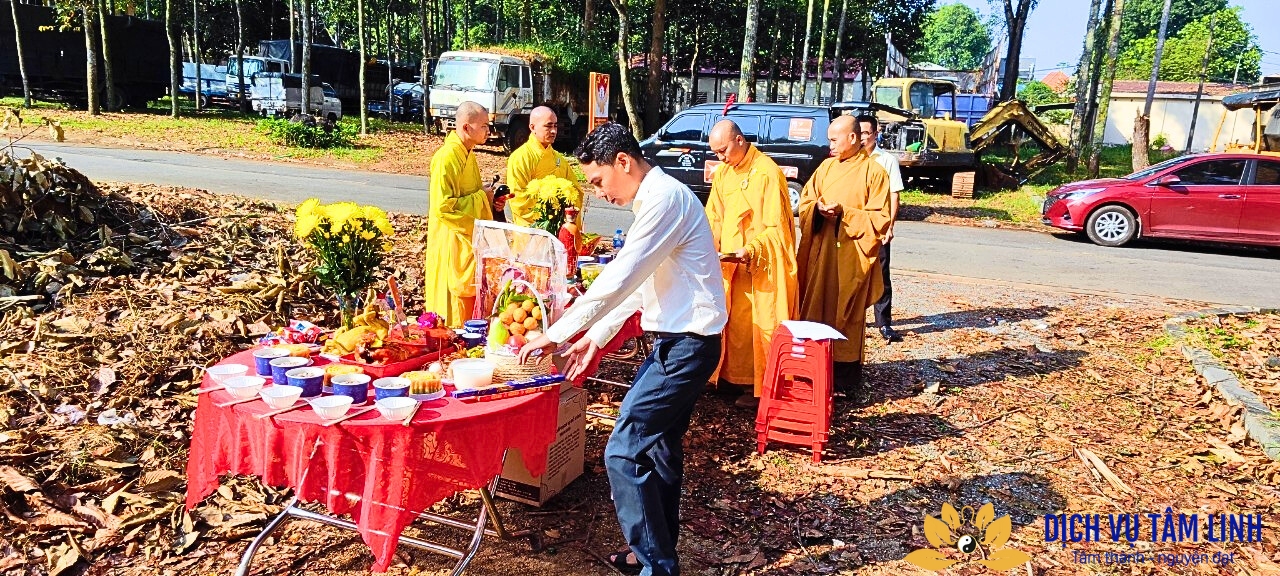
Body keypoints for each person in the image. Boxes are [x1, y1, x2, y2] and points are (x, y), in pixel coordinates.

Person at [517, 123, 727, 576]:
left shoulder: (665, 199)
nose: (598, 194)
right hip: (680, 342)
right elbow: (639, 284)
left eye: (597, 182)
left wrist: (557, 333)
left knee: (624, 450)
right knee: (657, 450)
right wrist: (594, 337)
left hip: (687, 346)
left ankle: (655, 563)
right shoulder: (657, 199)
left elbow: (620, 277)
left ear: (624, 162)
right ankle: (654, 553)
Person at [795, 115, 893, 393]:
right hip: (821, 252)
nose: (831, 145)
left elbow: (880, 219)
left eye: (834, 139)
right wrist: (817, 210)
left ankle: (845, 378)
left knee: (846, 314)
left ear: (853, 138)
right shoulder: (825, 168)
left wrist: (844, 213)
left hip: (852, 257)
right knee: (815, 309)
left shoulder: (874, 173)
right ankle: (811, 371)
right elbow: (806, 202)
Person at [704, 120, 797, 407]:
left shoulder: (767, 173)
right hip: (728, 265)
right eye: (716, 152)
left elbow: (777, 227)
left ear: (740, 140)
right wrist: (707, 247)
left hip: (758, 266)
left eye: (723, 150)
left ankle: (759, 386)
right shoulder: (724, 174)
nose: (720, 158)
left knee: (756, 325)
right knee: (729, 324)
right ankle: (727, 378)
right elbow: (714, 217)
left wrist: (751, 249)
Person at [423, 101, 503, 327]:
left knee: (469, 301)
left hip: (467, 240)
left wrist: (489, 199)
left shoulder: (468, 154)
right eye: (484, 126)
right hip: (451, 240)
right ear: (467, 128)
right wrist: (481, 199)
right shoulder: (446, 158)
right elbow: (443, 208)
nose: (489, 131)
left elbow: (473, 194)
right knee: (451, 307)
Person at [856, 114, 905, 342]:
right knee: (853, 273)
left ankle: (884, 323)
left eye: (866, 133)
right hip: (854, 228)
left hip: (878, 227)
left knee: (881, 275)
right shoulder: (848, 161)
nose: (862, 138)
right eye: (859, 133)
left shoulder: (886, 161)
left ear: (876, 134)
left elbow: (894, 195)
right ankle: (852, 319)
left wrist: (889, 226)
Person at [505, 106, 584, 228]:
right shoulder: (520, 158)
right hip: (531, 232)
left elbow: (576, 192)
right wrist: (549, 215)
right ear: (532, 127)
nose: (553, 131)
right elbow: (517, 199)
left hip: (558, 230)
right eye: (548, 126)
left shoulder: (559, 159)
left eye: (555, 126)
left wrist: (561, 210)